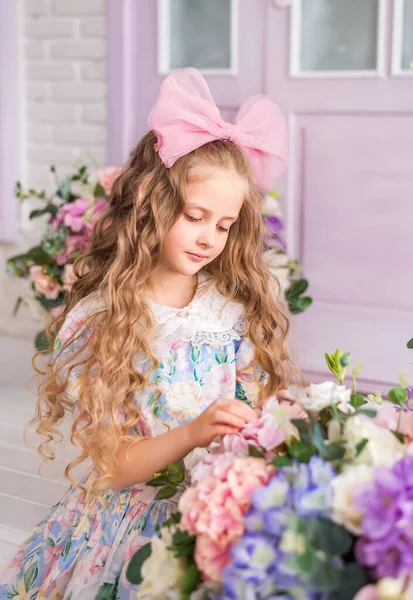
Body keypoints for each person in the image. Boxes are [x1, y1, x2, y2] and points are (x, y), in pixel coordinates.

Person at [0, 67, 301, 599]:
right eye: (194, 216)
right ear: (151, 207)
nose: (210, 238)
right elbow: (110, 465)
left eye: (225, 225)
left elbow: (254, 412)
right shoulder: (105, 319)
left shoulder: (229, 313)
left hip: (209, 519)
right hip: (128, 531)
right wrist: (192, 432)